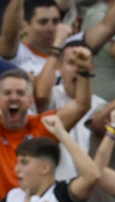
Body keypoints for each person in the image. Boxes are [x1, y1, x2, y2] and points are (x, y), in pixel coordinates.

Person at [0, 50, 92, 199]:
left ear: (31, 101)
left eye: (20, 93)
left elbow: (81, 106)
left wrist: (84, 72)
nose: (13, 98)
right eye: (7, 93)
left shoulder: (43, 126)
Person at [33, 40, 107, 181]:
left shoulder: (101, 106)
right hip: (54, 180)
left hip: (90, 181)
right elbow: (41, 95)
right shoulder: (52, 95)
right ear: (60, 67)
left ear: (92, 68)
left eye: (82, 63)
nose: (77, 68)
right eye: (72, 63)